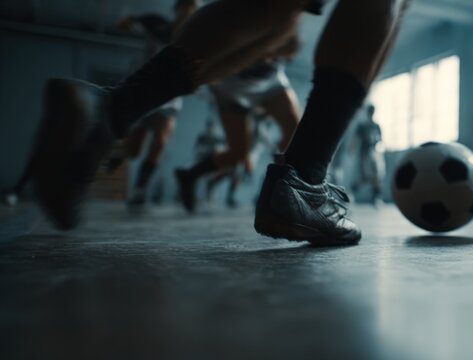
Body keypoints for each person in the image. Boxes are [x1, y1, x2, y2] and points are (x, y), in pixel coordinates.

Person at [30, 0, 411, 247]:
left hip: (251, 80)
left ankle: (111, 109)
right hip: (239, 87)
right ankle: (306, 180)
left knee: (280, 12)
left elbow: (289, 43)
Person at [175, 54, 300, 214]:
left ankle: (283, 189)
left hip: (270, 80)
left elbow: (291, 47)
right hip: (231, 85)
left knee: (297, 132)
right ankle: (190, 175)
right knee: (239, 153)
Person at [108, 0, 202, 208]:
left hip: (169, 100)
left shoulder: (196, 39)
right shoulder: (156, 24)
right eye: (186, 7)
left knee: (160, 140)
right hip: (145, 92)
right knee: (134, 150)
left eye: (193, 9)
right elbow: (129, 22)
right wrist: (126, 22)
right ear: (178, 10)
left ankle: (140, 189)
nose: (189, 12)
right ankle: (120, 153)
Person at [350, 105, 384, 206]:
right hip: (364, 154)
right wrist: (352, 150)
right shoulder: (362, 126)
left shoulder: (376, 126)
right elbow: (356, 139)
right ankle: (352, 192)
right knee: (365, 177)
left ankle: (377, 198)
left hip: (374, 152)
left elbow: (380, 139)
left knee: (377, 176)